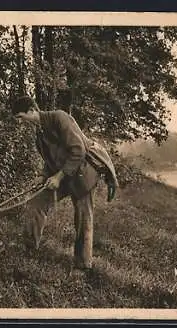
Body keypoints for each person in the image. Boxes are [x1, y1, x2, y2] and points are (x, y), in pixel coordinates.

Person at [11, 95, 118, 270]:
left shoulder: (59, 118)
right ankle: (29, 249)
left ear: (32, 110)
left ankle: (83, 265)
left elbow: (78, 151)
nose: (22, 122)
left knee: (83, 217)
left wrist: (58, 177)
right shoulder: (39, 133)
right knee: (36, 202)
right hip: (63, 174)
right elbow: (50, 160)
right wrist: (42, 175)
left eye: (22, 117)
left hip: (83, 173)